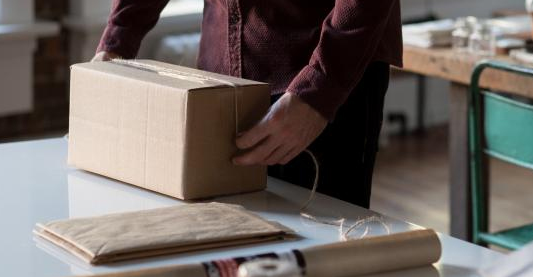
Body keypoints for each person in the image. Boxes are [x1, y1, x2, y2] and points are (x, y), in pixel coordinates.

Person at [91, 0, 402, 208]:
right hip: (219, 79)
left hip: (323, 77)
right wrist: (116, 42)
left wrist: (319, 89)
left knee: (322, 251)